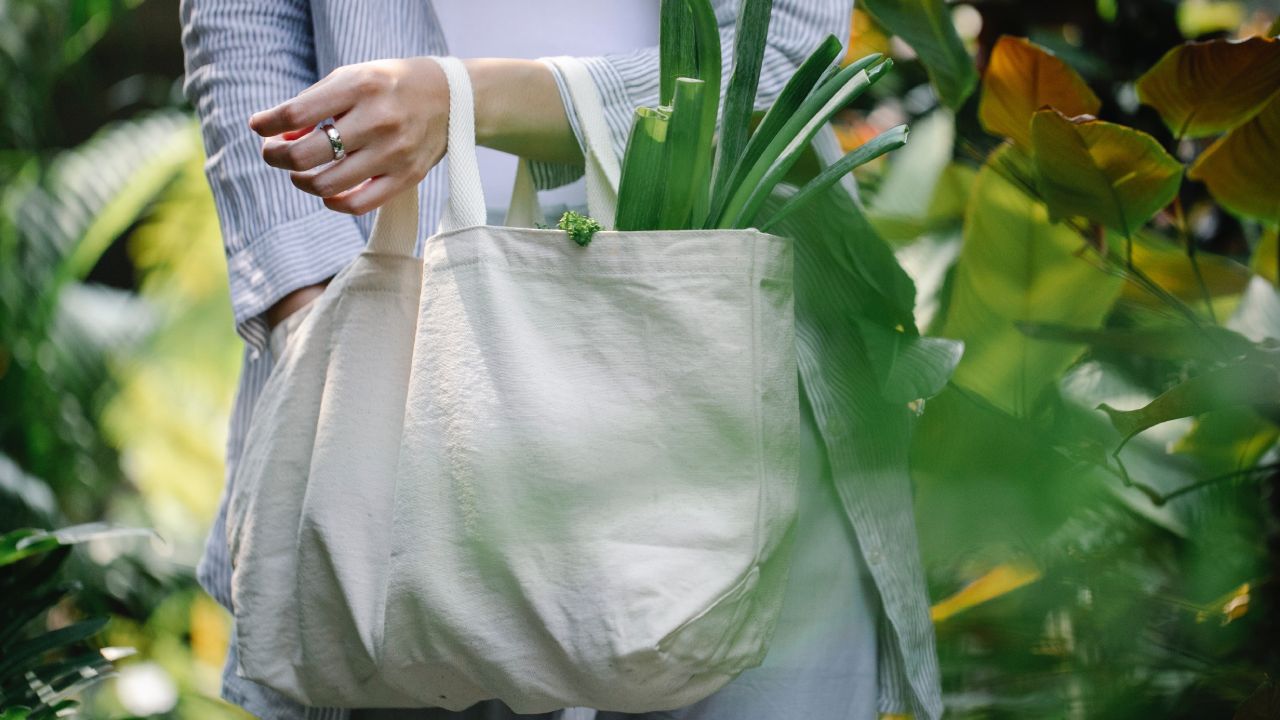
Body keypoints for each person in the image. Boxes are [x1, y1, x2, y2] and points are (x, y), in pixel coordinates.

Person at [179, 2, 944, 719]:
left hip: (724, 356)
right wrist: (304, 306)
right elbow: (242, 20)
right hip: (390, 373)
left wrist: (466, 101)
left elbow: (783, 46)